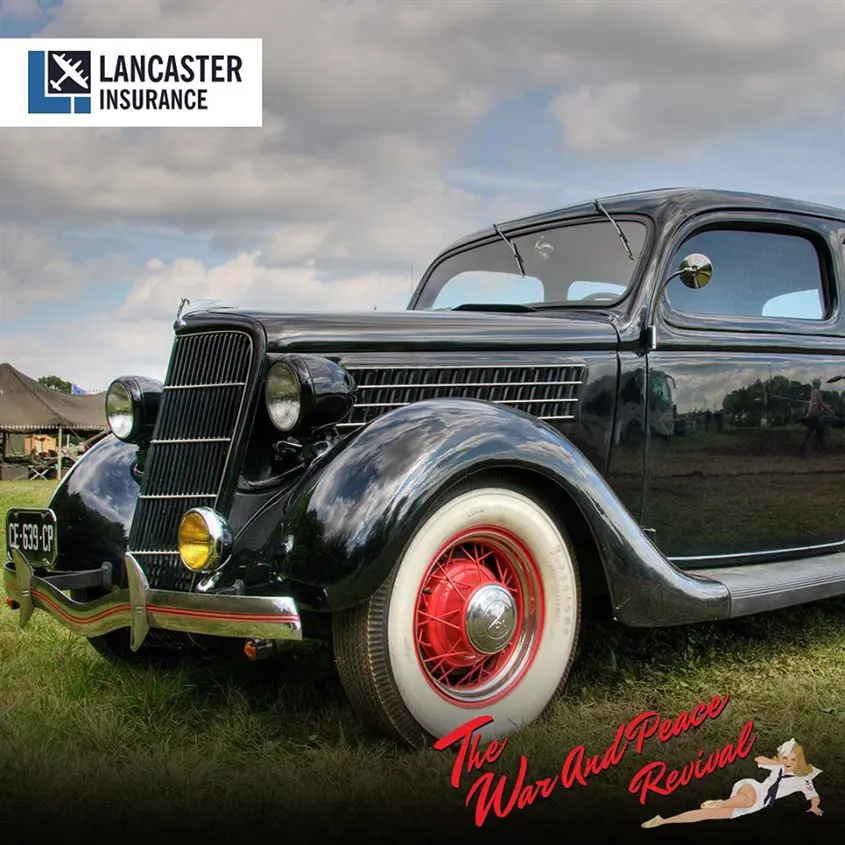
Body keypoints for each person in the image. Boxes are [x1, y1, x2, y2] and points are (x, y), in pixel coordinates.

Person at [641, 738, 822, 828]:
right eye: (785, 758)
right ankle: (720, 802)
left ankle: (663, 821)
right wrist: (777, 764)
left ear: (799, 761)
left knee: (704, 814)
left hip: (753, 805)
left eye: (792, 760)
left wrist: (814, 807)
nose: (788, 762)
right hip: (750, 788)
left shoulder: (802, 779)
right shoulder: (778, 766)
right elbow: (758, 759)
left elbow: (813, 795)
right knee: (749, 798)